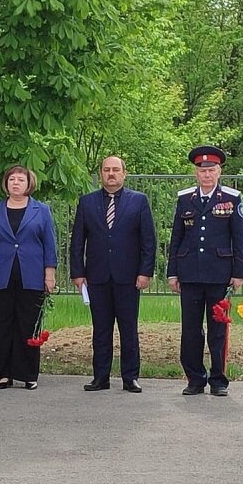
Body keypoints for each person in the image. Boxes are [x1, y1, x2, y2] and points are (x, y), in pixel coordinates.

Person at [69, 155, 157, 393]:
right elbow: (77, 241)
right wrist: (78, 272)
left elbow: (148, 241)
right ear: (101, 174)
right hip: (97, 277)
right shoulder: (87, 202)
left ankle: (130, 377)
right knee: (101, 329)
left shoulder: (138, 201)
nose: (111, 174)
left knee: (128, 329)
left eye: (115, 170)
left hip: (128, 277)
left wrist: (145, 272)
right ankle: (101, 377)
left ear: (124, 174)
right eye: (106, 170)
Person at [167, 145, 243, 397]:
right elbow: (176, 238)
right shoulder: (185, 199)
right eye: (202, 171)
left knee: (218, 329)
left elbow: (239, 238)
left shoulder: (231, 199)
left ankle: (218, 379)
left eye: (211, 170)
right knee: (190, 330)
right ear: (196, 173)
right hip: (190, 273)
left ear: (219, 172)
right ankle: (194, 378)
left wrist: (239, 272)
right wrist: (173, 272)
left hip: (219, 274)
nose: (207, 175)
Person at [0, 165, 58, 390]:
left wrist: (49, 274)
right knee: (1, 324)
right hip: (0, 275)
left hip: (31, 275)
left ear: (29, 183)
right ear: (6, 183)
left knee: (28, 324)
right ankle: (3, 374)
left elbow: (50, 245)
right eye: (12, 179)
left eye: (20, 179)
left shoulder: (41, 210)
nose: (16, 183)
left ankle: (28, 374)